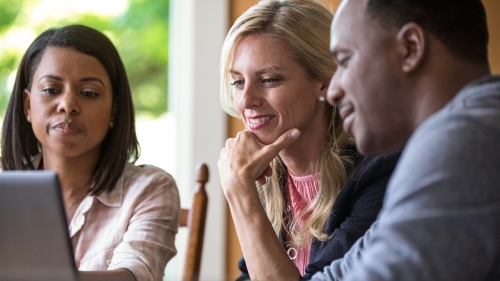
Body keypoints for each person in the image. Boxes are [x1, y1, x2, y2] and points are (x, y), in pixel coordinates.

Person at [234, 0, 499, 280]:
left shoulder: (465, 141)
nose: (334, 90)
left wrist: (240, 194)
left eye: (345, 61)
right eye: (237, 82)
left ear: (410, 48)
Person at [218, 0, 400, 280]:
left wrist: (240, 194)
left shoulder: (377, 173)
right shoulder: (272, 175)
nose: (246, 100)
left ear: (325, 81)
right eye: (238, 82)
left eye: (268, 80)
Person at [0, 24, 179, 281]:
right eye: (51, 90)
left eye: (89, 93)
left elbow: (135, 275)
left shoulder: (150, 189)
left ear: (114, 111)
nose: (68, 105)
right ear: (28, 106)